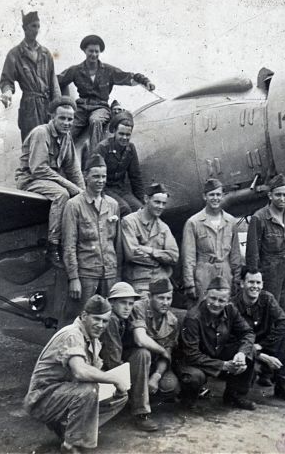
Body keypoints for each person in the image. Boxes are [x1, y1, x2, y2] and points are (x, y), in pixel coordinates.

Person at [24, 295, 128, 454]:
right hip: (41, 398)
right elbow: (80, 371)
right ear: (84, 316)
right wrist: (114, 379)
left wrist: (116, 384)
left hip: (62, 393)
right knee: (88, 390)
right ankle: (70, 445)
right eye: (96, 319)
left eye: (105, 321)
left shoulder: (93, 339)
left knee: (120, 395)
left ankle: (69, 430)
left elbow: (93, 371)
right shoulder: (73, 334)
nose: (101, 325)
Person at [57, 35, 155, 157]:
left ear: (100, 52)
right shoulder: (75, 70)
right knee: (68, 127)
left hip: (100, 107)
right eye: (90, 51)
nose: (94, 54)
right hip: (81, 107)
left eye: (96, 51)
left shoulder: (108, 70)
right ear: (84, 51)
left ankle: (95, 159)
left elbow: (129, 76)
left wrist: (146, 81)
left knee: (96, 121)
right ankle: (58, 159)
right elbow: (57, 81)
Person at [15, 96, 85, 267]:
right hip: (30, 179)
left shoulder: (66, 137)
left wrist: (84, 193)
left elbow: (73, 169)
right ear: (52, 117)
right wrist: (71, 187)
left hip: (48, 179)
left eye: (70, 119)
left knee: (78, 198)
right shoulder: (41, 133)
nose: (67, 123)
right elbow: (39, 168)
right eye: (62, 118)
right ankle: (53, 247)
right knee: (61, 194)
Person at [174, 276, 257, 411]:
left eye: (221, 300)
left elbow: (247, 332)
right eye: (212, 298)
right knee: (195, 377)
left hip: (215, 354)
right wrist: (224, 365)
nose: (216, 304)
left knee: (250, 350)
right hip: (193, 361)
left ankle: (234, 396)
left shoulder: (230, 309)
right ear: (205, 295)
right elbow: (191, 355)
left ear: (228, 301)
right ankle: (188, 400)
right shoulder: (193, 317)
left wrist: (241, 354)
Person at [61, 154, 120, 311]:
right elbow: (69, 245)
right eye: (96, 176)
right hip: (86, 275)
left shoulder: (113, 205)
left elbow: (117, 243)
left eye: (103, 176)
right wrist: (74, 278)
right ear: (85, 176)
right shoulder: (74, 205)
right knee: (83, 317)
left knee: (109, 318)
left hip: (110, 274)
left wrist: (117, 274)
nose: (101, 181)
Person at [233, 266, 285, 403]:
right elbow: (232, 338)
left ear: (262, 284)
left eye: (258, 283)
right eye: (251, 282)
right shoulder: (233, 305)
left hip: (265, 343)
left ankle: (282, 386)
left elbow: (284, 323)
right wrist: (256, 351)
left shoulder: (267, 299)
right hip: (244, 348)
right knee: (245, 382)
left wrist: (262, 345)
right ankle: (238, 392)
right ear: (242, 284)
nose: (255, 286)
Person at [245, 173, 285, 331]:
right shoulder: (259, 218)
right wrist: (254, 276)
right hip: (269, 274)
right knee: (268, 316)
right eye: (278, 195)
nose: (282, 199)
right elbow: (252, 252)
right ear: (270, 195)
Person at [127, 278, 180, 430]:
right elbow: (140, 339)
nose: (165, 302)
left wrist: (156, 375)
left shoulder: (172, 320)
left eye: (168, 298)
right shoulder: (138, 307)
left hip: (152, 365)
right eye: (161, 298)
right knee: (143, 353)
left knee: (171, 387)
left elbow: (167, 353)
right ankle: (140, 412)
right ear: (150, 297)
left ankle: (141, 396)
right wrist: (162, 350)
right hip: (131, 360)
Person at [0, 11, 61, 142]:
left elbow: (53, 82)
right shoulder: (15, 54)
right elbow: (6, 80)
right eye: (33, 26)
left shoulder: (45, 53)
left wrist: (58, 106)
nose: (36, 30)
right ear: (24, 28)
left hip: (47, 107)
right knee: (32, 147)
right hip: (29, 109)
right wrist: (7, 93)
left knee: (51, 146)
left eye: (38, 26)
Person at [182, 178, 242, 307]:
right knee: (202, 309)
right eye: (211, 195)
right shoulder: (194, 222)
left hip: (225, 271)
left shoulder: (230, 221)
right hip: (204, 271)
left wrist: (236, 278)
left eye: (218, 194)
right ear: (205, 196)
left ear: (223, 195)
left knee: (225, 309)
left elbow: (235, 254)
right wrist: (190, 283)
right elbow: (189, 257)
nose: (215, 198)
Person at [121, 183, 179, 298]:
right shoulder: (129, 222)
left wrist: (151, 251)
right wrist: (161, 259)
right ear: (146, 199)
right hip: (140, 282)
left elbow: (174, 256)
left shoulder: (163, 227)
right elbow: (132, 254)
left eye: (164, 203)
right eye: (157, 202)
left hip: (161, 281)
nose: (161, 207)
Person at [94, 111, 144, 217]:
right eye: (121, 134)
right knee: (124, 209)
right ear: (115, 132)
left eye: (128, 134)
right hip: (104, 189)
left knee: (140, 210)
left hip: (120, 189)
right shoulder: (103, 148)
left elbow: (136, 177)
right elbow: (94, 175)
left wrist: (142, 201)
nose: (124, 138)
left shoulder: (130, 148)